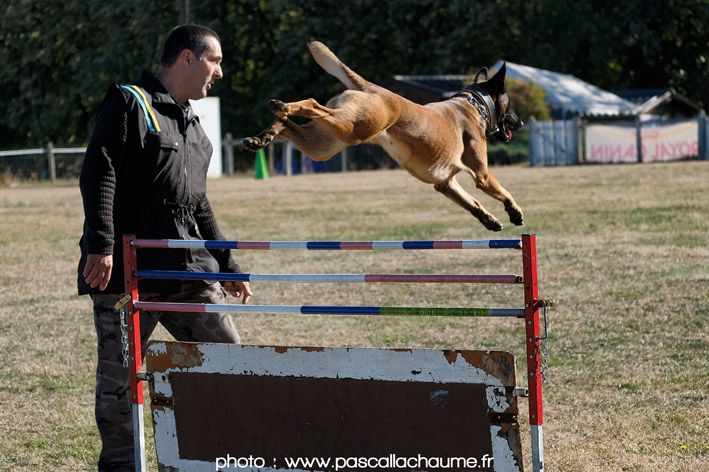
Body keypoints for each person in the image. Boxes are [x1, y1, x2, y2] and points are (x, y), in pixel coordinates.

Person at [77, 24, 252, 471]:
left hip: (189, 274)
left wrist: (228, 263)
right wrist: (101, 244)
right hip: (128, 275)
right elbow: (100, 172)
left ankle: (215, 460)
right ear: (187, 59)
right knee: (120, 390)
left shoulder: (197, 129)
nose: (219, 72)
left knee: (232, 363)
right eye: (215, 61)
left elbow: (200, 203)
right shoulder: (129, 103)